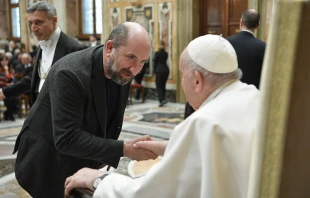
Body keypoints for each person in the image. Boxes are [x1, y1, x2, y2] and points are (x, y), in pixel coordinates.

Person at [64, 35, 261, 198]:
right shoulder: (253, 96)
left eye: (183, 75)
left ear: (198, 81)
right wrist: (171, 146)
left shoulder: (203, 122)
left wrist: (99, 180)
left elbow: (148, 194)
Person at [13, 22, 157, 198]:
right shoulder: (70, 73)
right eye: (131, 57)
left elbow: (109, 117)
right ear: (110, 47)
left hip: (79, 158)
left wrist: (103, 156)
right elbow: (67, 138)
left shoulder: (121, 70)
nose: (135, 69)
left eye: (142, 62)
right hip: (46, 162)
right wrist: (123, 149)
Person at [0, 1, 85, 106]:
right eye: (30, 23)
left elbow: (80, 89)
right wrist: (4, 92)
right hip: (38, 106)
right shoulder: (41, 46)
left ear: (54, 20)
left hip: (60, 110)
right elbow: (36, 76)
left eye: (38, 22)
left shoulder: (74, 48)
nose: (33, 28)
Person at [226, 9, 266, 89]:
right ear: (258, 25)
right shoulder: (263, 47)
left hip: (229, 92)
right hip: (253, 95)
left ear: (241, 22)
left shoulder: (226, 43)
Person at [154, 40, 169, 107]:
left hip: (159, 70)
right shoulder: (166, 53)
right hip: (166, 70)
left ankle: (162, 100)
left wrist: (154, 71)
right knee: (163, 85)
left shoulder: (157, 53)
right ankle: (163, 99)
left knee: (159, 86)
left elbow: (155, 63)